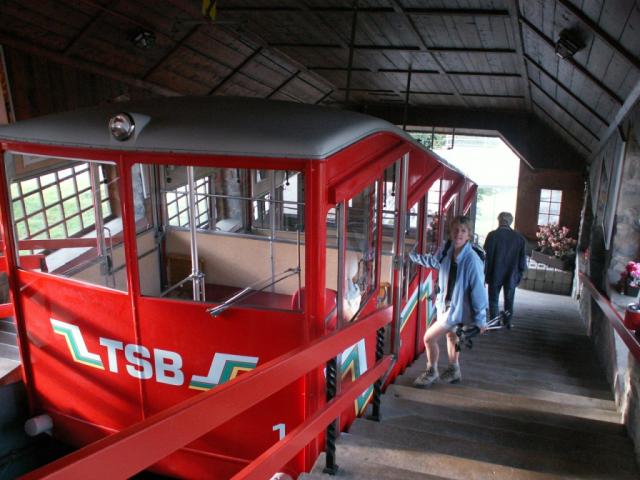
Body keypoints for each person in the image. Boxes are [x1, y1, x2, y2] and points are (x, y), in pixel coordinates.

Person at [410, 215, 488, 387]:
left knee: (428, 338)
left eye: (463, 231)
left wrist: (481, 319)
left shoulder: (472, 260)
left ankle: (431, 372)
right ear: (451, 232)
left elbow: (479, 291)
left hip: (457, 309)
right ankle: (454, 370)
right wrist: (414, 257)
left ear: (469, 235)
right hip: (445, 305)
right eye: (456, 230)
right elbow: (435, 263)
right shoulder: (448, 250)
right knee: (451, 336)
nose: (459, 233)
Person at [483, 212, 527, 323]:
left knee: (493, 300)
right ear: (510, 222)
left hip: (494, 273)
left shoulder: (492, 236)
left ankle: (494, 321)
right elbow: (522, 260)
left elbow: (486, 256)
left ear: (499, 220)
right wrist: (520, 274)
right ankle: (507, 321)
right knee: (509, 300)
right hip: (512, 274)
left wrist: (484, 274)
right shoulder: (519, 238)